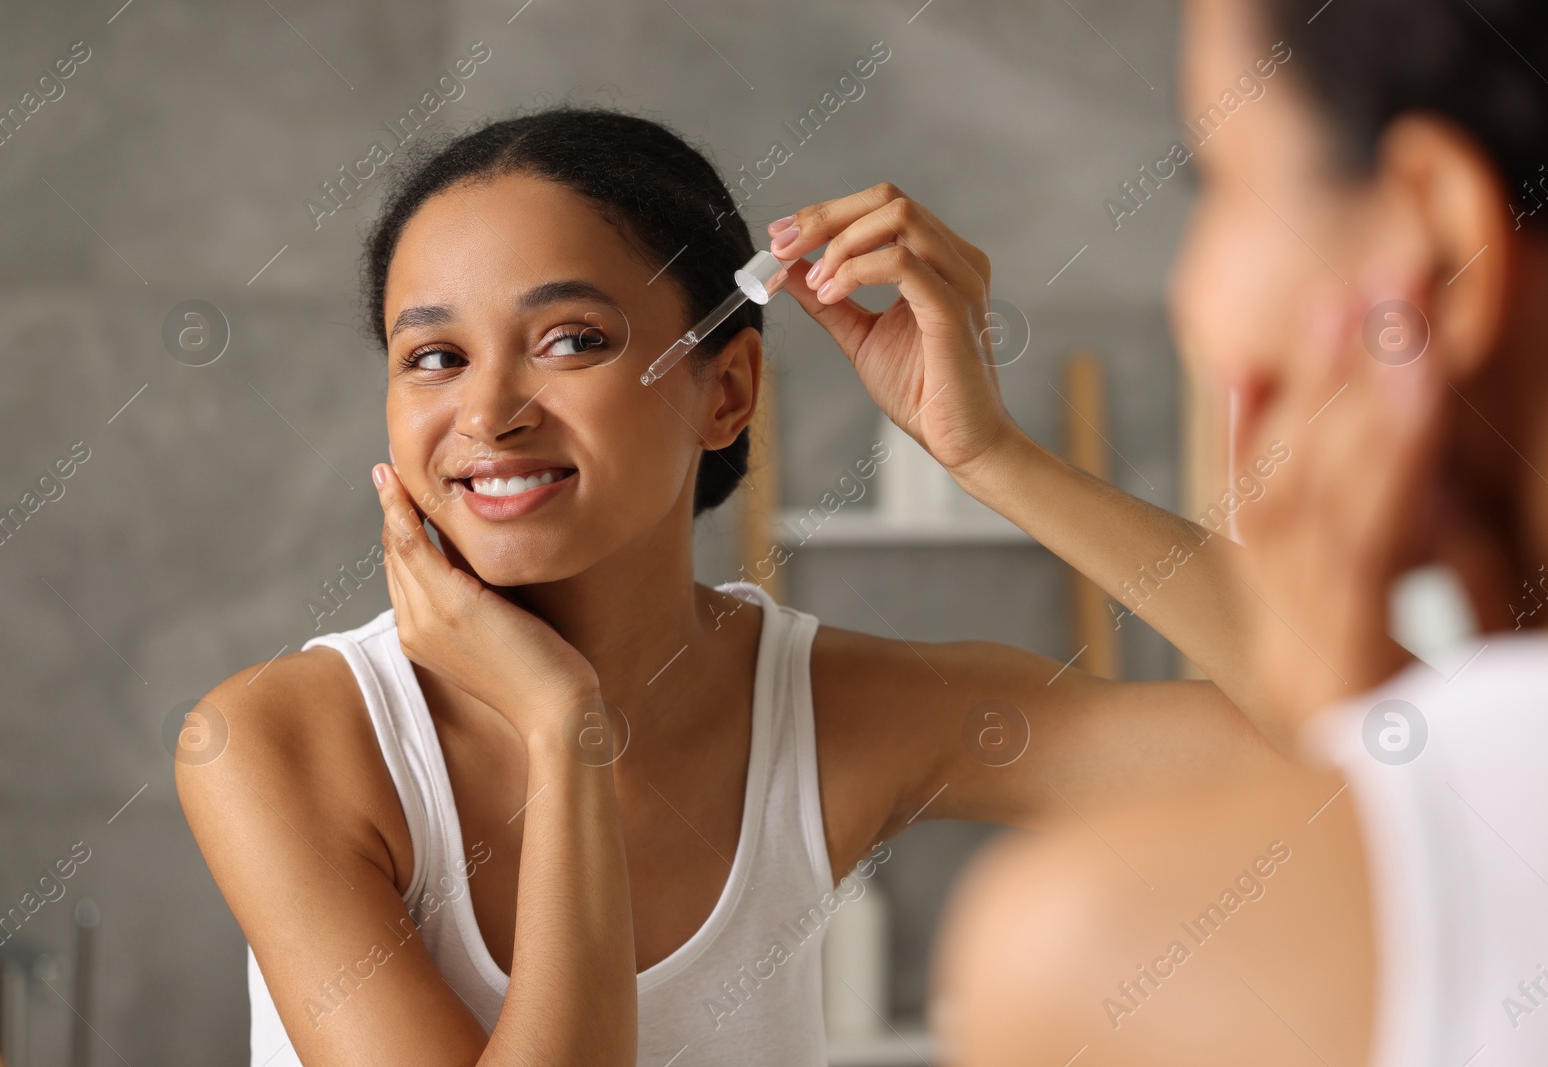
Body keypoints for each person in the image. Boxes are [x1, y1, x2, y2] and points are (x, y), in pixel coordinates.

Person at [175, 107, 1289, 1066]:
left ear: (727, 390)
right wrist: (567, 728)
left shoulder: (839, 715)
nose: (486, 413)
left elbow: (1366, 737)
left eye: (569, 339)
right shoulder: (281, 741)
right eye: (434, 355)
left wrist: (990, 452)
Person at [934, 0, 1548, 1063]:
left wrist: (1358, 795)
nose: (1194, 296)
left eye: (1218, 182)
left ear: (1437, 235)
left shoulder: (1099, 950)